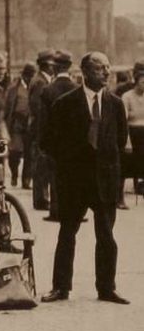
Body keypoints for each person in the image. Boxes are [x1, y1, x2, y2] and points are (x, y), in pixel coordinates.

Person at [41, 52, 129, 305]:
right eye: (101, 68)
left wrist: (109, 166)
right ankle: (60, 287)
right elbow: (48, 141)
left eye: (108, 67)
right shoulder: (65, 103)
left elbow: (120, 141)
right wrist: (70, 164)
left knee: (107, 236)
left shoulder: (115, 104)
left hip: (104, 180)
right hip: (74, 181)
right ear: (85, 72)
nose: (107, 72)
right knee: (67, 233)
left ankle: (106, 288)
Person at [38, 51, 77, 222]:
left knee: (55, 176)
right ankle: (74, 211)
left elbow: (43, 119)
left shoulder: (48, 90)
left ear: (55, 67)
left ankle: (56, 210)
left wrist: (43, 142)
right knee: (72, 175)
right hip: (73, 141)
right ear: (69, 67)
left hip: (55, 140)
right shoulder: (77, 88)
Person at [28, 50, 56, 208]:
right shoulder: (40, 82)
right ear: (47, 64)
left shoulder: (41, 79)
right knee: (41, 163)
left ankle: (42, 197)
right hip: (40, 127)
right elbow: (37, 107)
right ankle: (41, 199)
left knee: (42, 163)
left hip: (39, 127)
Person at [4, 64, 36, 188]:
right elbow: (8, 107)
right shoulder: (14, 88)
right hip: (17, 122)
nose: (30, 79)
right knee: (15, 152)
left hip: (29, 123)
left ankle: (26, 180)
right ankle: (14, 174)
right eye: (29, 76)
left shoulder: (35, 86)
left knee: (29, 153)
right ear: (24, 76)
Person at [120, 62, 144, 201]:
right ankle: (119, 197)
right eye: (142, 82)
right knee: (127, 166)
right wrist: (127, 140)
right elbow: (124, 120)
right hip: (133, 134)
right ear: (136, 82)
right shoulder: (127, 96)